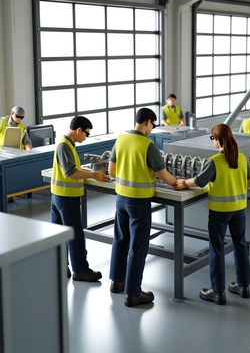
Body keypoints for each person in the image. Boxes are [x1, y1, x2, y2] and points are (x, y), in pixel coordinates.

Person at [174, 124, 250, 305]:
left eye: (212, 138)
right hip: (239, 209)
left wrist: (183, 183)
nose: (213, 142)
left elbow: (199, 181)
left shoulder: (215, 161)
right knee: (240, 244)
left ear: (218, 139)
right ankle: (243, 287)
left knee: (216, 248)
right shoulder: (241, 157)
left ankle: (217, 291)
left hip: (220, 212)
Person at [108, 108, 177, 307]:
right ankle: (133, 293)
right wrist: (177, 182)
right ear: (148, 122)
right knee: (138, 247)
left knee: (120, 240)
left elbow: (112, 171)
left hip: (121, 199)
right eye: (153, 125)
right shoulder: (148, 145)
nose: (152, 129)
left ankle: (117, 282)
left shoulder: (120, 140)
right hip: (138, 201)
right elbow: (164, 175)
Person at [51, 116, 109, 282]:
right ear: (79, 130)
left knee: (59, 234)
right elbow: (71, 173)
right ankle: (80, 269)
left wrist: (89, 172)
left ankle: (61, 267)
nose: (86, 137)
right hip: (67, 197)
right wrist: (94, 175)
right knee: (75, 234)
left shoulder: (67, 144)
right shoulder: (64, 146)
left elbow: (72, 168)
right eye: (87, 134)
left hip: (59, 195)